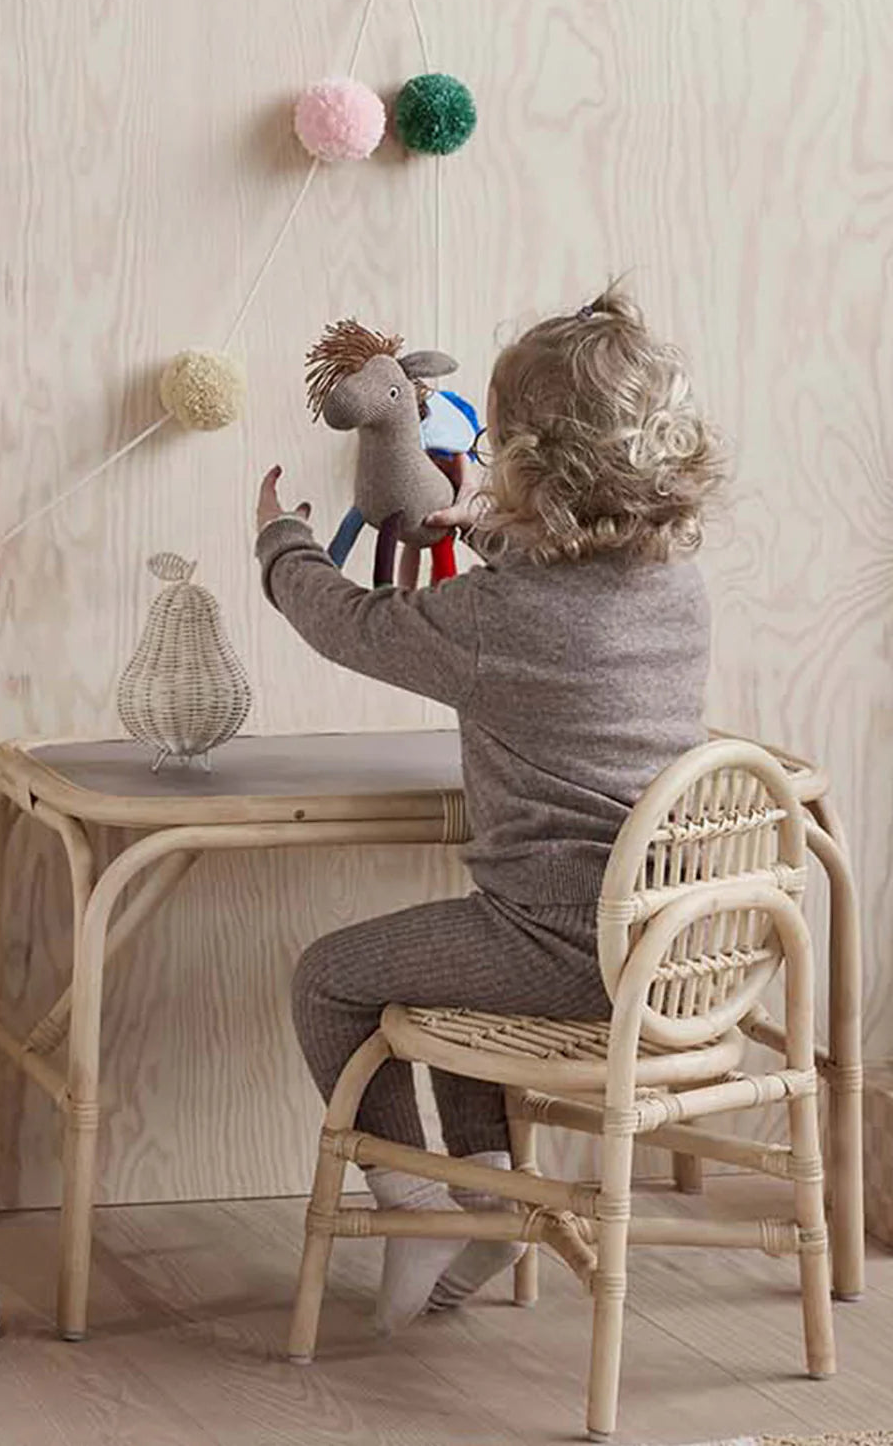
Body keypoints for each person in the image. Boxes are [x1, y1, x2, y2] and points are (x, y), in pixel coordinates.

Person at [254, 284, 725, 1334]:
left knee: (329, 977)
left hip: (563, 942)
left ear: (528, 464)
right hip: (672, 942)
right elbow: (568, 599)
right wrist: (489, 531)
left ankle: (411, 1199)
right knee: (448, 968)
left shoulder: (498, 621)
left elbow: (351, 624)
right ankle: (488, 1199)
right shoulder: (673, 588)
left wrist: (282, 545)